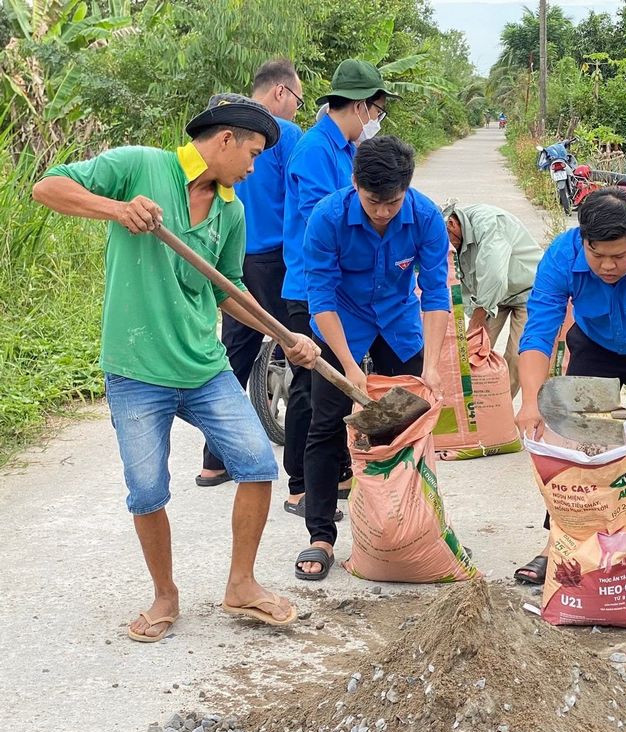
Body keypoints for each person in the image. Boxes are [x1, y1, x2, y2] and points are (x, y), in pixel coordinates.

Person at [32, 93, 323, 642]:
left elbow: (226, 289)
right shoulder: (142, 165)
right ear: (226, 139)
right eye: (253, 152)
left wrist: (284, 335)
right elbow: (47, 187)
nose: (255, 166)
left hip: (203, 368)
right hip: (136, 369)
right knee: (147, 491)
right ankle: (165, 596)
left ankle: (241, 584)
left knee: (258, 462)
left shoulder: (232, 210)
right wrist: (117, 209)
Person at [513, 188, 626, 597]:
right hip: (595, 346)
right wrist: (530, 400)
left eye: (620, 256)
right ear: (583, 241)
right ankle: (560, 547)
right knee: (581, 449)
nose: (608, 266)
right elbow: (539, 331)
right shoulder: (562, 256)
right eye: (598, 256)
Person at [294, 135, 450, 580]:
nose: (382, 211)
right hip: (342, 323)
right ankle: (320, 534)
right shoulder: (327, 217)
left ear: (408, 190)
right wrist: (347, 369)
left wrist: (432, 366)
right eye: (372, 201)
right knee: (326, 425)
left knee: (403, 424)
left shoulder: (425, 217)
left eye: (392, 202)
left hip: (398, 326)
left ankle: (407, 526)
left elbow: (436, 293)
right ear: (354, 184)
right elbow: (319, 296)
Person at [280, 59, 399, 521]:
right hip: (311, 287)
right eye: (374, 111)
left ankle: (336, 474)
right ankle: (300, 486)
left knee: (335, 390)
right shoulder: (314, 151)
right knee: (313, 389)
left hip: (342, 288)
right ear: (356, 105)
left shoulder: (348, 150)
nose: (374, 122)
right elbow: (319, 221)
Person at [196, 58, 304, 487]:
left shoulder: (225, 134)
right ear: (280, 92)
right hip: (275, 258)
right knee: (297, 347)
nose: (297, 108)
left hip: (232, 258)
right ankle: (303, 474)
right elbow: (303, 198)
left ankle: (214, 460)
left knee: (235, 350)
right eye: (296, 98)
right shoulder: (287, 136)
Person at [443, 201, 541, 397]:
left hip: (527, 290)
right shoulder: (455, 238)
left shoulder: (489, 224)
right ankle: (478, 408)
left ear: (452, 224)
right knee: (473, 349)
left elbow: (494, 275)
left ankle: (501, 410)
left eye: (446, 241)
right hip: (494, 297)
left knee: (517, 355)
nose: (446, 248)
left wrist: (479, 317)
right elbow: (463, 281)